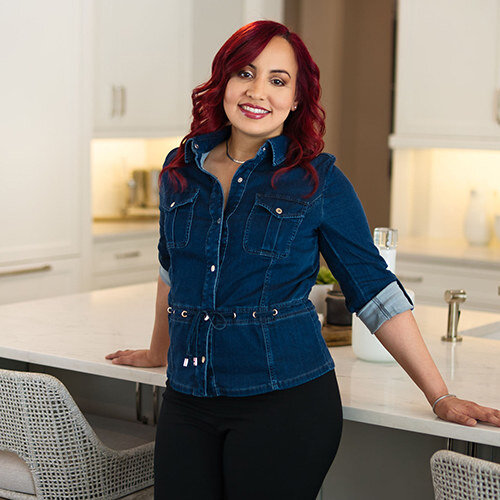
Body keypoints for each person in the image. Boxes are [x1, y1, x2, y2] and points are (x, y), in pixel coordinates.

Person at [105, 20, 500, 500]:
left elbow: (373, 290)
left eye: (278, 80)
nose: (257, 91)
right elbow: (173, 270)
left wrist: (439, 395)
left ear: (295, 99)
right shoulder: (180, 168)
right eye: (244, 73)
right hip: (188, 399)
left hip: (284, 402)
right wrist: (158, 351)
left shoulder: (318, 179)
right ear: (223, 81)